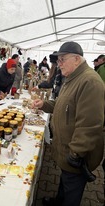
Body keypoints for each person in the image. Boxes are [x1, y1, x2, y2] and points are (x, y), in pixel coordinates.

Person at [32, 41, 105, 206]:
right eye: (58, 60)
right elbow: (61, 103)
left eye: (63, 59)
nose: (59, 64)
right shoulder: (72, 78)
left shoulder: (90, 82)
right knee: (66, 180)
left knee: (72, 187)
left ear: (77, 59)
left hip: (77, 156)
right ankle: (58, 201)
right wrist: (43, 105)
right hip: (67, 151)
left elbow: (90, 124)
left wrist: (75, 154)